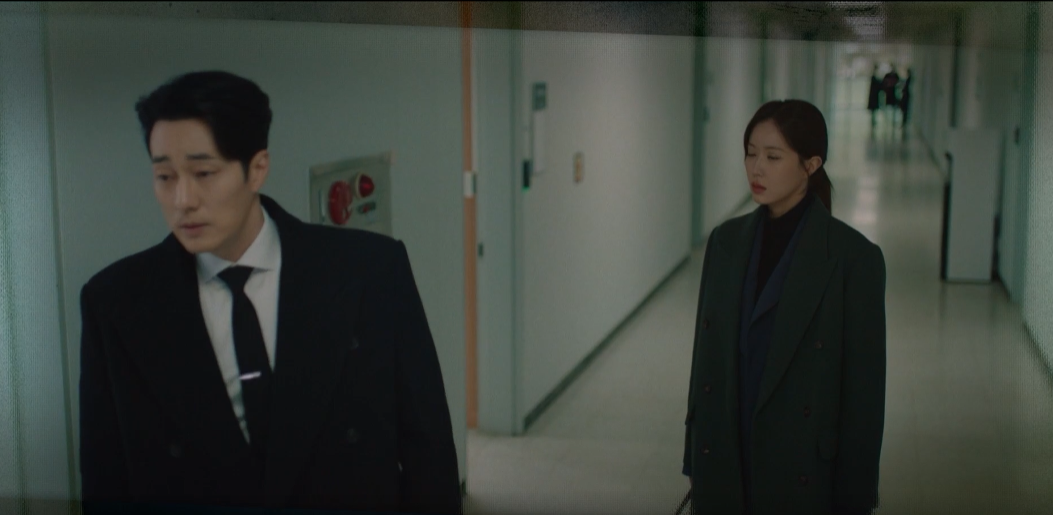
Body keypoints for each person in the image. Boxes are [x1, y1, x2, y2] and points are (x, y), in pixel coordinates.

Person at [78, 71, 462, 515]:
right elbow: (105, 478)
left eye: (204, 173)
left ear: (257, 168)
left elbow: (428, 448)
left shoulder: (370, 271)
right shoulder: (115, 302)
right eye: (164, 176)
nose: (183, 199)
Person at [682, 99, 887, 515]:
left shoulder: (852, 258)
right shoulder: (725, 242)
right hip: (728, 451)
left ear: (811, 165)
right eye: (750, 153)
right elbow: (705, 360)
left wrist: (856, 497)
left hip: (800, 464)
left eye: (773, 157)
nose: (756, 169)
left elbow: (864, 397)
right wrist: (695, 456)